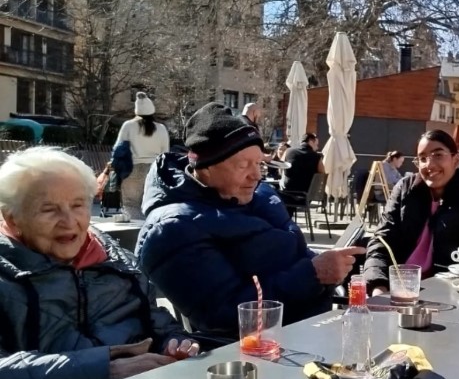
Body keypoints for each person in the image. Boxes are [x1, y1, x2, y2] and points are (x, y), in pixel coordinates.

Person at [136, 103, 363, 333]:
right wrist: (313, 274)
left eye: (258, 163)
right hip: (267, 344)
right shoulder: (170, 230)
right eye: (243, 165)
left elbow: (294, 251)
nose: (255, 175)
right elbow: (223, 314)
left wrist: (332, 266)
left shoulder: (260, 194)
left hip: (317, 323)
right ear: (206, 167)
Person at [0, 147, 198, 379]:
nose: (69, 221)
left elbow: (158, 324)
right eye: (49, 209)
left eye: (78, 205)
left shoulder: (117, 262)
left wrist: (175, 343)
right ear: (12, 219)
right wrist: (105, 369)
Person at [363, 130, 459, 294]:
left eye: (438, 155)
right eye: (423, 158)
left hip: (451, 293)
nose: (429, 165)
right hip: (399, 288)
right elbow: (381, 241)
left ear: (456, 160)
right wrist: (377, 286)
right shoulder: (405, 189)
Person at [115, 92, 170, 220]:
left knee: (131, 204)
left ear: (136, 111)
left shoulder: (128, 126)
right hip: (154, 170)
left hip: (132, 169)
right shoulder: (161, 128)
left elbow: (119, 150)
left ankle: (135, 229)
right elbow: (165, 153)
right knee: (153, 204)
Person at [280, 132, 325, 207]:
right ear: (311, 141)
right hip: (306, 196)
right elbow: (322, 174)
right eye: (316, 144)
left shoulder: (288, 151)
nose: (317, 148)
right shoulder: (316, 157)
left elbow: (280, 168)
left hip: (287, 194)